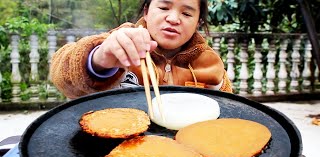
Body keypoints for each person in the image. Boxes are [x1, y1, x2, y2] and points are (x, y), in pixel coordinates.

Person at [50, 0, 233, 99]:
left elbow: (227, 108)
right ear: (146, 11)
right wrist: (96, 60)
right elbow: (62, 78)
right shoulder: (119, 42)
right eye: (163, 7)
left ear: (198, 22)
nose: (173, 19)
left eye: (186, 13)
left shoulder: (209, 63)